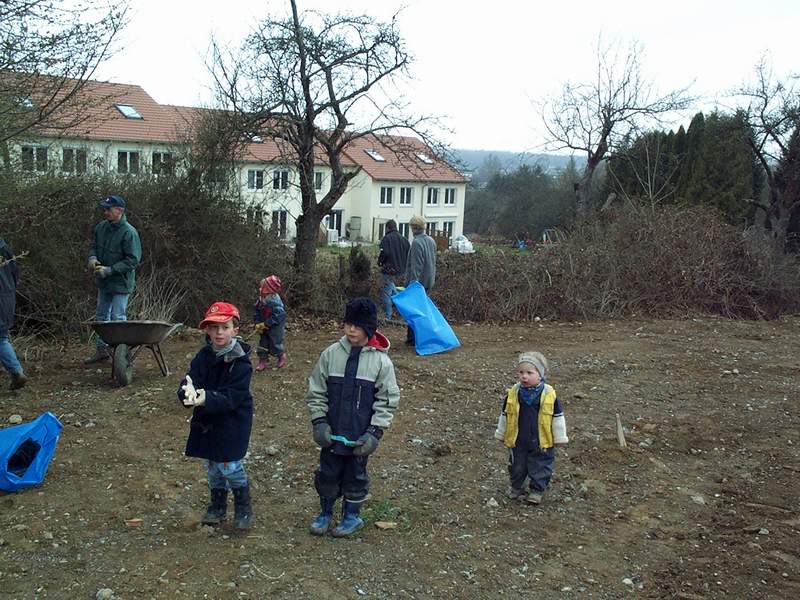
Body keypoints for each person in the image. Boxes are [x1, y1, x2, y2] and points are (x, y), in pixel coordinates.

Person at [305, 297, 400, 537]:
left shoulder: (381, 363)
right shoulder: (330, 354)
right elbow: (316, 390)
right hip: (332, 434)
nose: (351, 330)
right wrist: (319, 421)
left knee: (355, 476)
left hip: (360, 437)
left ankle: (352, 516)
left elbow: (387, 400)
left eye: (357, 326)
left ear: (369, 328)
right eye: (348, 324)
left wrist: (374, 432)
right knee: (327, 473)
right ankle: (325, 513)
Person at [177, 302, 254, 529]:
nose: (219, 333)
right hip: (208, 422)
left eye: (225, 327)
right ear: (207, 330)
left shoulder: (241, 363)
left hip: (232, 423)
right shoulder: (203, 356)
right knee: (212, 466)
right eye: (214, 327)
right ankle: (217, 506)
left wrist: (206, 399)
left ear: (235, 330)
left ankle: (243, 507)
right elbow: (191, 379)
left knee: (230, 465)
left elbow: (233, 396)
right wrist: (187, 392)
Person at [494, 351, 568, 504]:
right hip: (518, 439)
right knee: (516, 464)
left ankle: (537, 490)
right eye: (521, 372)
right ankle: (517, 487)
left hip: (541, 439)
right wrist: (501, 433)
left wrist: (560, 437)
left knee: (541, 464)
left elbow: (557, 417)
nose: (524, 377)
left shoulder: (549, 394)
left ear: (540, 375)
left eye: (529, 373)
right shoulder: (513, 393)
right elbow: (505, 414)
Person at [85, 195, 142, 364]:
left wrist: (110, 270)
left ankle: (120, 355)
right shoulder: (101, 227)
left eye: (108, 209)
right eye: (104, 209)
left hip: (121, 283)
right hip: (104, 281)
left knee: (118, 318)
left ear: (119, 210)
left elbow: (133, 260)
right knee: (101, 317)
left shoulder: (129, 232)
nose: (105, 212)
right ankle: (102, 351)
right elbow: (94, 246)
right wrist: (92, 258)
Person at [404, 214, 436, 345]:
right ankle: (418, 337)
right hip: (429, 281)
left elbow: (416, 266)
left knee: (414, 312)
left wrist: (412, 285)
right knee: (422, 311)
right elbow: (433, 262)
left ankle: (413, 338)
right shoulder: (431, 240)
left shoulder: (417, 243)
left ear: (413, 227)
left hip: (418, 283)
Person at [0, 237, 28, 390]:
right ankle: (16, 371)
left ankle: (16, 371)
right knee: (2, 338)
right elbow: (15, 274)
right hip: (8, 297)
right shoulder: (5, 249)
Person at [377, 219, 410, 320]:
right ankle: (404, 310)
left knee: (386, 293)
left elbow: (384, 253)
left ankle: (388, 316)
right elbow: (409, 253)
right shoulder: (404, 239)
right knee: (392, 288)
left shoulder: (386, 239)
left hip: (389, 270)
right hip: (401, 270)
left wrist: (380, 262)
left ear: (387, 228)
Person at [253, 275, 287, 371]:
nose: (260, 289)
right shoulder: (261, 299)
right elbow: (257, 311)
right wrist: (257, 323)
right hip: (263, 325)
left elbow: (279, 316)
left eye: (262, 287)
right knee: (263, 343)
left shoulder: (275, 301)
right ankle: (262, 360)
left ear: (268, 289)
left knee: (275, 343)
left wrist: (267, 324)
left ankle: (281, 356)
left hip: (275, 327)